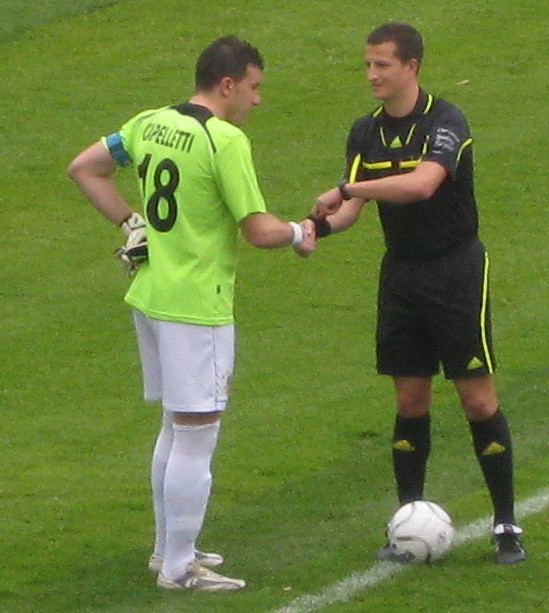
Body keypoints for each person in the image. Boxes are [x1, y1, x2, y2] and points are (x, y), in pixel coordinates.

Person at [68, 35, 315, 592]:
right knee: (198, 432)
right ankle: (180, 569)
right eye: (253, 88)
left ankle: (168, 550)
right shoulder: (223, 140)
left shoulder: (150, 122)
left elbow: (84, 168)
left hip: (152, 296)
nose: (257, 100)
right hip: (196, 306)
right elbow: (259, 230)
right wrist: (300, 233)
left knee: (175, 426)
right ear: (227, 84)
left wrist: (131, 222)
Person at [309, 22, 526, 564]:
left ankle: (506, 525)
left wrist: (347, 187)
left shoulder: (445, 121)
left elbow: (422, 184)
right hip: (402, 276)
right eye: (368, 64)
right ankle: (406, 523)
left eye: (382, 65)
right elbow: (351, 211)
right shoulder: (365, 131)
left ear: (412, 67)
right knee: (410, 400)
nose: (371, 75)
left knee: (477, 400)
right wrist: (313, 230)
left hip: (456, 272)